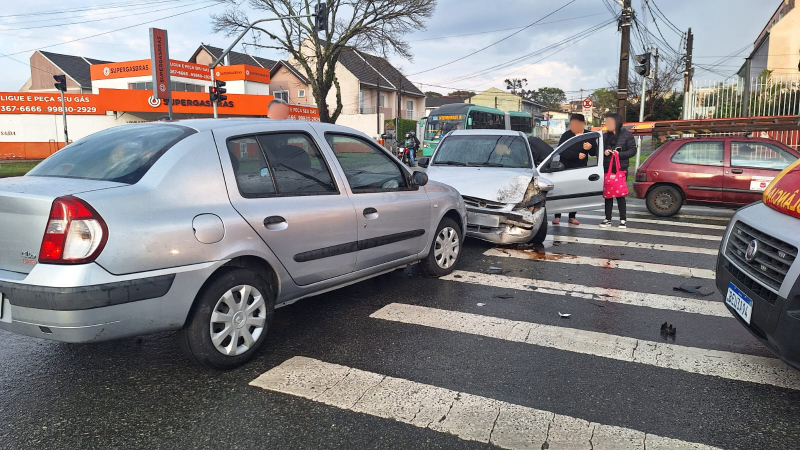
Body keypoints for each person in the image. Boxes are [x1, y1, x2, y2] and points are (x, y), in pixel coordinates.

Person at [553, 113, 597, 225]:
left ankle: (572, 216)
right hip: (565, 166)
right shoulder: (566, 135)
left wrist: (591, 147)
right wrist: (576, 155)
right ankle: (557, 216)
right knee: (561, 191)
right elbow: (560, 150)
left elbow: (594, 153)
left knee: (575, 191)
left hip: (580, 168)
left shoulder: (589, 135)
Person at [600, 112, 636, 229]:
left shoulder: (627, 135)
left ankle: (623, 220)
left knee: (620, 195)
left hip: (620, 169)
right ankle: (608, 219)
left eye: (610, 122)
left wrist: (619, 154)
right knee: (608, 195)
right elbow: (599, 150)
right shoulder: (605, 136)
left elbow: (632, 151)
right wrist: (605, 152)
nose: (607, 124)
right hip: (607, 169)